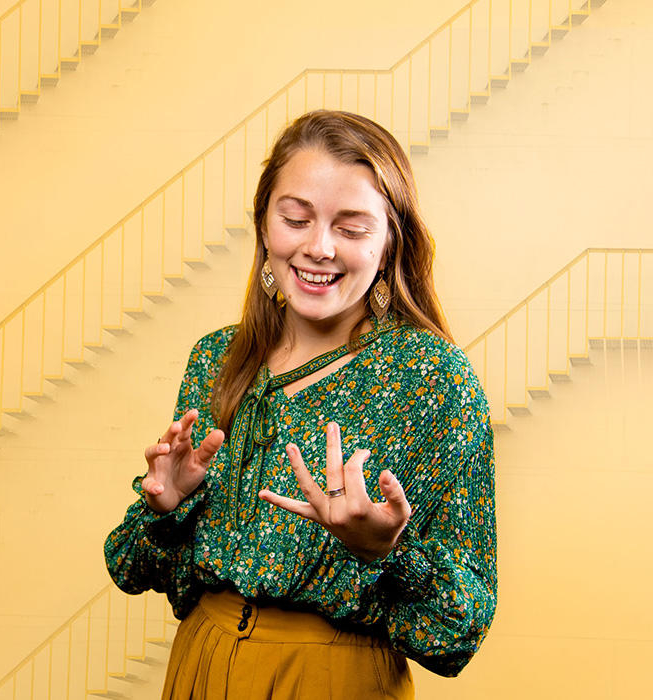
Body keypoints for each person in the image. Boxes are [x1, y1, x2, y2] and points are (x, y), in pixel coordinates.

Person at [104, 110, 496, 699]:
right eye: (296, 218)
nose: (318, 248)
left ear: (390, 244)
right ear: (265, 227)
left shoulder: (435, 381)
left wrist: (385, 552)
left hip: (331, 680)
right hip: (201, 665)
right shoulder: (217, 359)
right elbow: (130, 569)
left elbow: (458, 633)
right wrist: (166, 509)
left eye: (353, 228)